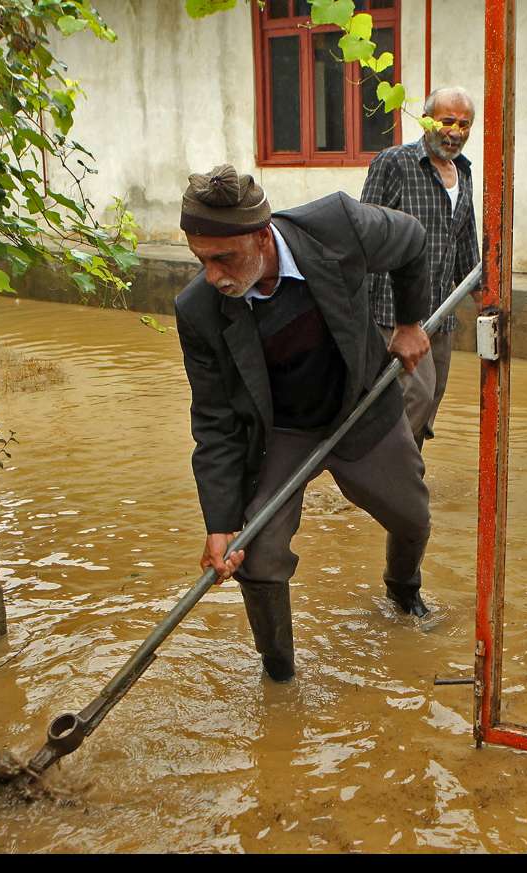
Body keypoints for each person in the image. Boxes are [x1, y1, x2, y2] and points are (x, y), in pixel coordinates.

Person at [174, 164, 435, 683]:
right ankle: (279, 674)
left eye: (223, 257)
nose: (212, 275)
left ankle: (403, 591)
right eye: (201, 259)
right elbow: (214, 421)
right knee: (259, 555)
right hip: (282, 434)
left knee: (412, 518)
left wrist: (408, 323)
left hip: (359, 407)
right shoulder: (198, 310)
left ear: (262, 235)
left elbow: (412, 240)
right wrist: (219, 523)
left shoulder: (338, 226)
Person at [361, 86, 480, 447]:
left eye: (464, 124)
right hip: (393, 314)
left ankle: (406, 478)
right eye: (447, 121)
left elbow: (466, 243)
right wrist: (357, 311)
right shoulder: (394, 163)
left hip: (440, 313)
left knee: (432, 401)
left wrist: (484, 298)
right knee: (417, 396)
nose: (455, 132)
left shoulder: (463, 173)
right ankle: (384, 469)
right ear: (427, 119)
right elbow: (365, 234)